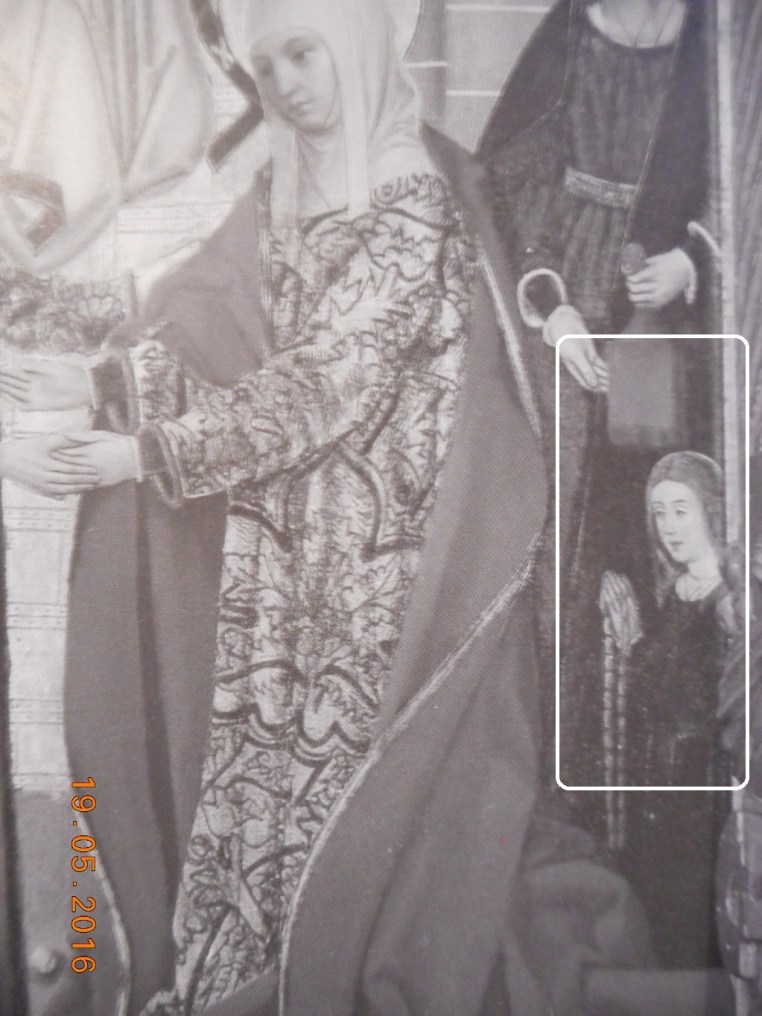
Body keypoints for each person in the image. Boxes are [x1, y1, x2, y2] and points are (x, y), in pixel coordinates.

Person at [1, 2, 656, 1012]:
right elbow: (215, 324)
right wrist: (99, 382)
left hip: (386, 566)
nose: (287, 86)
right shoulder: (288, 183)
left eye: (304, 54)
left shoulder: (411, 193)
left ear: (352, 40)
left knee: (340, 800)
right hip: (280, 547)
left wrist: (144, 451)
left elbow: (324, 380)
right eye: (266, 67)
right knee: (254, 779)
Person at [477, 0, 714, 782]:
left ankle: (662, 773)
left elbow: (744, 174)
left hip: (675, 308)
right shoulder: (574, 32)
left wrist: (695, 258)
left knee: (677, 501)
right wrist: (554, 309)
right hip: (572, 285)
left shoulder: (715, 37)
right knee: (565, 510)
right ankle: (561, 761)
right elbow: (512, 181)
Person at [600, 451, 736, 968]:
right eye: (660, 514)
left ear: (711, 510)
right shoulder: (676, 590)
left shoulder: (728, 600)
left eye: (682, 510)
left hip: (704, 785)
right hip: (661, 783)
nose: (670, 527)